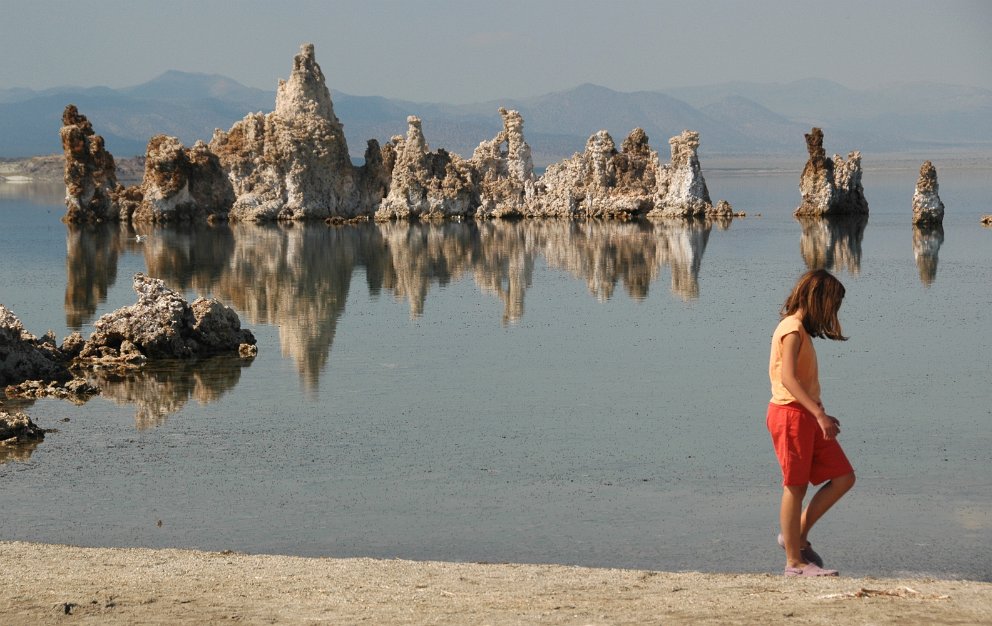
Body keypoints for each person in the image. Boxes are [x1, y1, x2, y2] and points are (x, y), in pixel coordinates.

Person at [767, 269, 856, 576]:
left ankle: (795, 538)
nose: (833, 314)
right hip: (790, 415)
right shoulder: (790, 329)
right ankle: (794, 563)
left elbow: (804, 381)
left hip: (808, 414)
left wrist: (820, 413)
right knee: (795, 486)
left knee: (844, 477)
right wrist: (818, 415)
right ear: (817, 300)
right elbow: (788, 379)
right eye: (831, 306)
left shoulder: (801, 331)